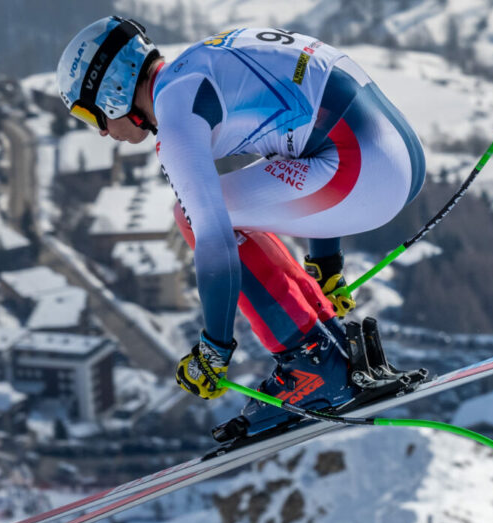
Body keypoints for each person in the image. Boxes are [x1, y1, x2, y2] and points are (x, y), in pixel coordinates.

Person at [56, 17, 426, 439]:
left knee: (193, 216)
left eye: (92, 116)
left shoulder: (176, 116)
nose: (103, 132)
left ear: (113, 92)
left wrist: (214, 349)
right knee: (224, 203)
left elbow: (214, 240)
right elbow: (310, 133)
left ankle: (312, 364)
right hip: (398, 158)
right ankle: (328, 339)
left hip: (367, 173)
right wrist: (326, 262)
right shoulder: (203, 60)